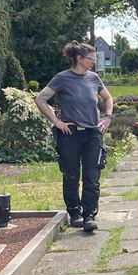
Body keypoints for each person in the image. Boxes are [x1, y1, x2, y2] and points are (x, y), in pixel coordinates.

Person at [35, 41, 114, 232]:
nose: (94, 62)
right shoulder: (62, 78)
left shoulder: (94, 78)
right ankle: (75, 214)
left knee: (92, 176)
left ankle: (89, 216)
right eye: (91, 58)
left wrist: (107, 117)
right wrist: (56, 121)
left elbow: (108, 98)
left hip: (92, 134)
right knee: (71, 176)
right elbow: (40, 99)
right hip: (70, 135)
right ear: (79, 59)